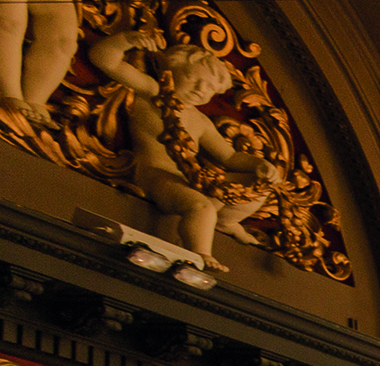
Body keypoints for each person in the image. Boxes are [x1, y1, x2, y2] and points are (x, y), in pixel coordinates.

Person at [84, 27, 278, 268]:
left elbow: (229, 156)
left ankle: (224, 221)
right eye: (193, 79)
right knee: (202, 208)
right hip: (154, 173)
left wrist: (260, 165)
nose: (200, 89)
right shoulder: (153, 92)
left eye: (209, 88)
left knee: (259, 184)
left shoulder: (200, 120)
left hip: (189, 179)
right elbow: (104, 59)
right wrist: (127, 39)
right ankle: (200, 256)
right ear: (171, 70)